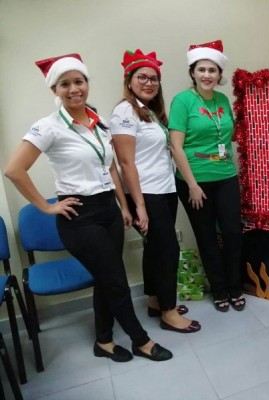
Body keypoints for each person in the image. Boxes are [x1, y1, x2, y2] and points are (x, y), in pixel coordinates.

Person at [4, 53, 172, 362]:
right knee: (116, 280)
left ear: (86, 84)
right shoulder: (49, 127)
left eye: (79, 81)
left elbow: (109, 166)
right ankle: (141, 340)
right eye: (64, 84)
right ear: (55, 89)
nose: (74, 89)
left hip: (108, 208)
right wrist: (47, 207)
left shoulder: (98, 121)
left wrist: (123, 205)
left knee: (104, 279)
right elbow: (14, 170)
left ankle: (104, 341)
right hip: (79, 217)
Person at [110, 49, 200, 333]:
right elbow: (125, 162)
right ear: (129, 80)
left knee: (155, 250)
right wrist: (138, 206)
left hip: (163, 190)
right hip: (145, 194)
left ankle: (155, 300)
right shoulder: (124, 111)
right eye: (142, 77)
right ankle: (169, 313)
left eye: (154, 79)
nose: (149, 83)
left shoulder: (148, 111)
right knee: (167, 251)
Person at [168, 40, 245, 312]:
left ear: (219, 74)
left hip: (225, 174)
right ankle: (220, 289)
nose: (207, 75)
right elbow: (176, 145)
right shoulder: (182, 101)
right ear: (192, 72)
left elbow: (228, 135)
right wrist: (192, 185)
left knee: (233, 233)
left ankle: (236, 286)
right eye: (201, 70)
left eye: (212, 70)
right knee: (206, 237)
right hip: (195, 180)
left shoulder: (223, 100)